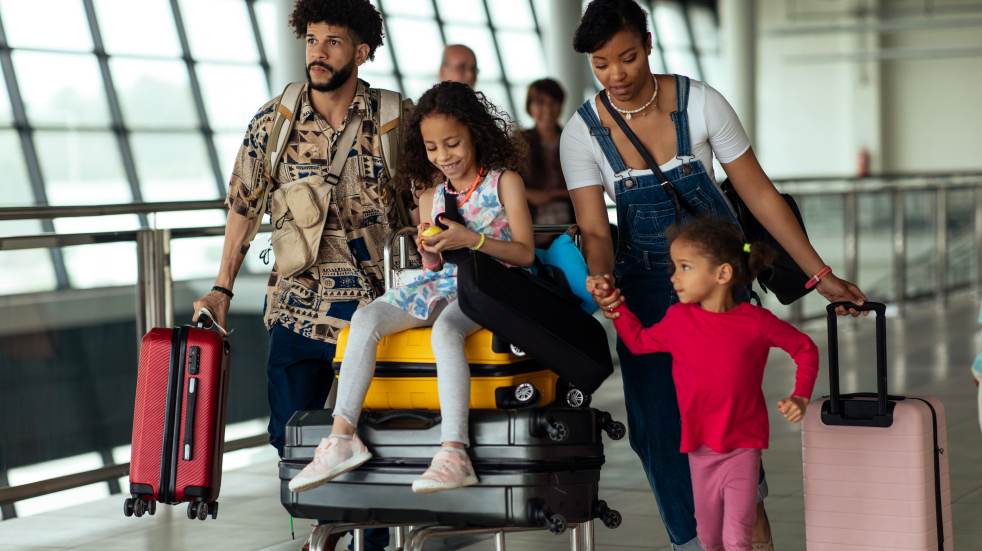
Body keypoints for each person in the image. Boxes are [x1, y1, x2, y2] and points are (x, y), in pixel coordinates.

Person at [561, 1, 866, 549]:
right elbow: (595, 230)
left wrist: (820, 274)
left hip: (722, 285)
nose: (617, 75)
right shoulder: (581, 134)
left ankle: (752, 535)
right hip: (649, 290)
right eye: (602, 64)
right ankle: (693, 543)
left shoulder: (700, 103)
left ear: (648, 45)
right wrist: (601, 277)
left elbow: (760, 195)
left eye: (628, 58)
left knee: (728, 421)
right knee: (658, 430)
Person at [191, 1, 407, 549]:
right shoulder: (275, 122)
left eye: (332, 42)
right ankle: (327, 522)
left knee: (376, 439)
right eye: (311, 40)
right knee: (291, 434)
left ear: (360, 51)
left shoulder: (392, 121)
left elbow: (427, 204)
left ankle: (371, 538)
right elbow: (243, 207)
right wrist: (221, 288)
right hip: (297, 306)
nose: (317, 53)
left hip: (377, 311)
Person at [287, 81, 534, 494]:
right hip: (444, 282)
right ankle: (343, 436)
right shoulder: (433, 195)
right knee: (365, 318)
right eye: (433, 148)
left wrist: (469, 240)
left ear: (475, 132)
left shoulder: (504, 182)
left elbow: (525, 253)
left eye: (452, 143)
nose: (443, 157)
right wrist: (431, 249)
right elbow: (434, 265)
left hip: (494, 283)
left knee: (446, 331)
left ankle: (454, 451)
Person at [600, 217, 819, 550]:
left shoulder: (754, 322)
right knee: (709, 537)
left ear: (722, 274)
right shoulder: (678, 319)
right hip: (699, 450)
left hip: (742, 450)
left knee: (736, 538)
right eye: (674, 267)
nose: (674, 277)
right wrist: (616, 306)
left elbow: (804, 349)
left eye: (685, 267)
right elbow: (640, 342)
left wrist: (800, 396)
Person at [520, 79, 574, 237]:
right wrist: (531, 195)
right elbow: (503, 183)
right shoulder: (518, 141)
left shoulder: (574, 140)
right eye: (540, 103)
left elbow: (594, 185)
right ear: (529, 107)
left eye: (553, 102)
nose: (547, 109)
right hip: (530, 224)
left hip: (571, 224)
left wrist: (550, 195)